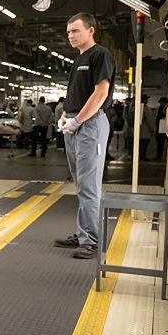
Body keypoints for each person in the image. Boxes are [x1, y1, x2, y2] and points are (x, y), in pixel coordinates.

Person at [56, 13, 114, 259]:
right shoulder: (79, 58)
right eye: (69, 32)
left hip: (89, 124)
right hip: (74, 123)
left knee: (89, 185)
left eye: (76, 31)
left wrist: (78, 120)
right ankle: (84, 233)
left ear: (91, 30)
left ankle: (91, 240)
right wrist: (65, 115)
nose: (71, 35)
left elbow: (101, 93)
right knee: (81, 183)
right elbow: (77, 93)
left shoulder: (100, 55)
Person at [154, 97, 168, 161]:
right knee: (161, 143)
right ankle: (160, 157)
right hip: (163, 128)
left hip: (162, 128)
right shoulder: (162, 108)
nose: (161, 104)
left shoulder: (163, 108)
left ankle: (159, 157)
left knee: (160, 144)